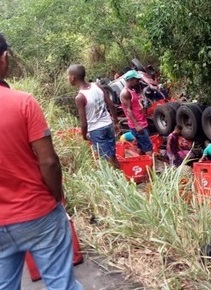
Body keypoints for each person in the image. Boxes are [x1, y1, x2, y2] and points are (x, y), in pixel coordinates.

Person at [0, 33, 82, 290]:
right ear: (3, 59)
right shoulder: (23, 102)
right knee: (61, 284)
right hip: (37, 212)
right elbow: (49, 162)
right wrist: (56, 197)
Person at [67, 64, 120, 168]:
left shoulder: (80, 97)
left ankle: (116, 180)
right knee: (112, 155)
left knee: (106, 160)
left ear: (73, 77)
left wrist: (84, 135)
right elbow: (112, 105)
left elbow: (83, 123)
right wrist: (115, 122)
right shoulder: (97, 85)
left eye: (68, 76)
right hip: (108, 125)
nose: (67, 78)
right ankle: (121, 175)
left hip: (96, 130)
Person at [119, 69, 153, 156]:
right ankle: (150, 167)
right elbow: (128, 110)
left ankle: (142, 162)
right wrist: (137, 125)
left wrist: (143, 109)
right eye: (136, 80)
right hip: (138, 125)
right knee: (148, 148)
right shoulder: (125, 93)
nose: (138, 81)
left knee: (140, 146)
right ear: (130, 80)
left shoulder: (132, 90)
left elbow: (134, 107)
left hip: (141, 122)